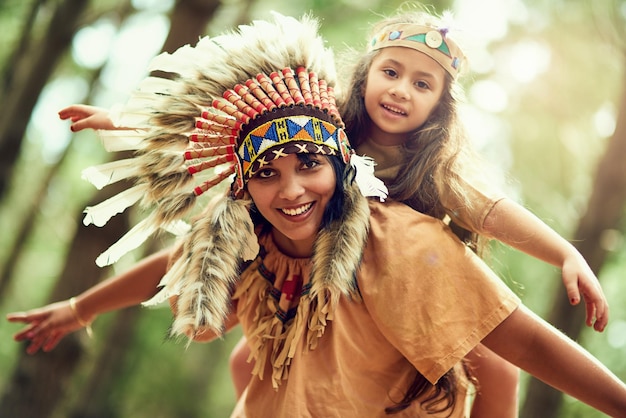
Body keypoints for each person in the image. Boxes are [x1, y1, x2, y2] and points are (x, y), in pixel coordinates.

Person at [6, 12, 626, 418]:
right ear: (363, 79)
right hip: (316, 290)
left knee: (489, 360)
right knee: (248, 361)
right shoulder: (320, 124)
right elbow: (217, 127)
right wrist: (126, 122)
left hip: (408, 286)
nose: (400, 92)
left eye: (421, 85)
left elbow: (494, 214)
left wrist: (564, 252)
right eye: (390, 72)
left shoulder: (424, 186)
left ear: (439, 107)